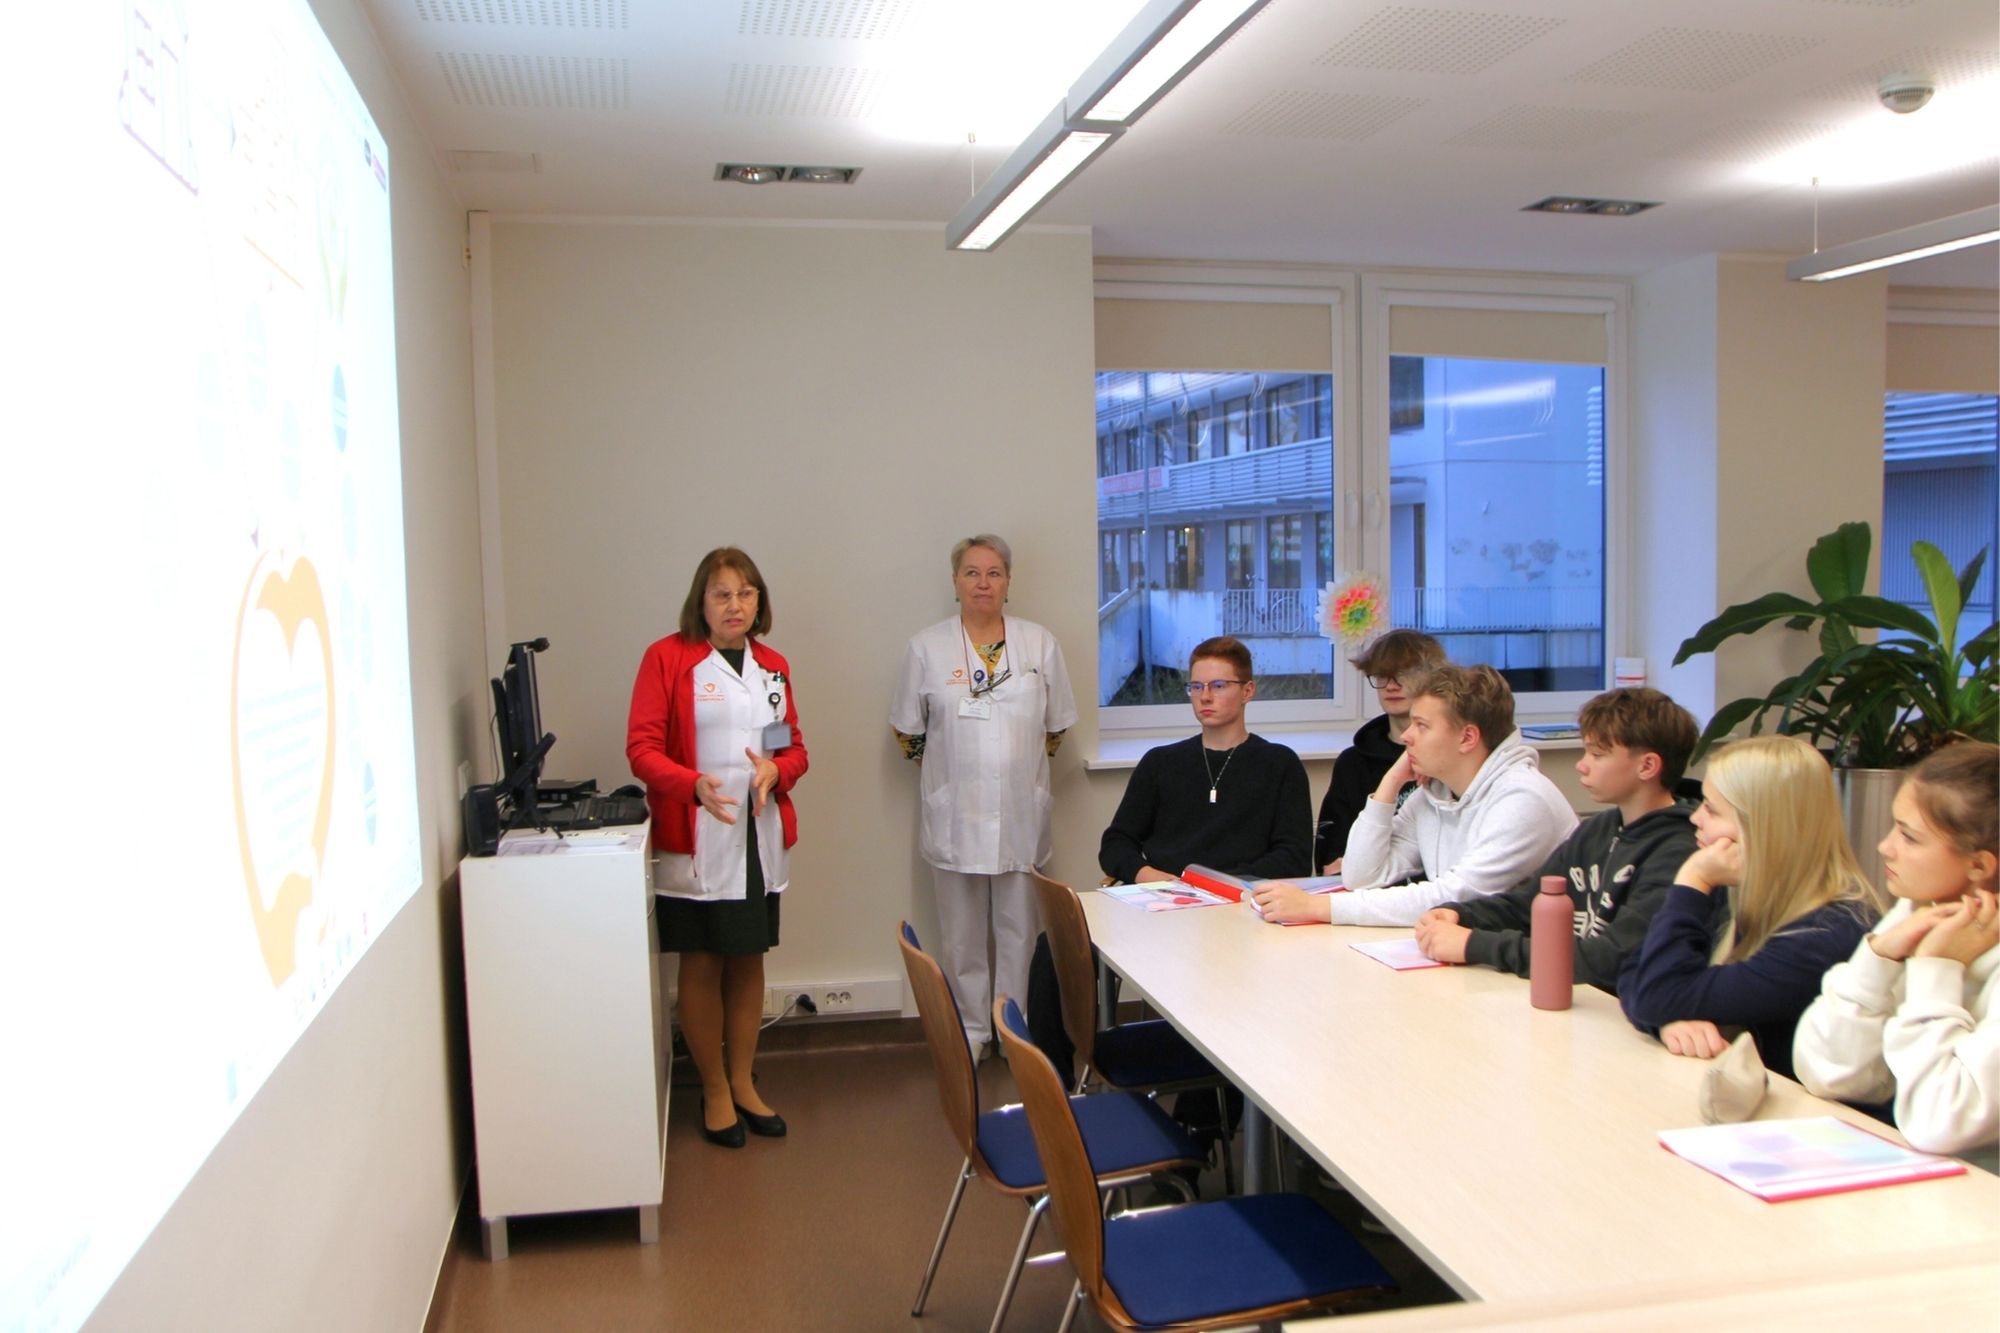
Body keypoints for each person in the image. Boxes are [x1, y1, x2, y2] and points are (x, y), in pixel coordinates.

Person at [627, 548, 808, 1149]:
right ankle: (712, 1090)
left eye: (746, 593)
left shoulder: (772, 667)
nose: (735, 605)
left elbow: (792, 749)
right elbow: (642, 749)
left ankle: (742, 1081)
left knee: (749, 959)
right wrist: (691, 785)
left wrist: (777, 771)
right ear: (700, 602)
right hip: (698, 837)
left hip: (756, 836)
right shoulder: (668, 658)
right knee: (703, 961)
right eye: (722, 593)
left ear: (759, 602)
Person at [892, 535, 1077, 1053]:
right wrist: (951, 777)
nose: (983, 583)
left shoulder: (1039, 644)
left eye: (994, 573)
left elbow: (1056, 727)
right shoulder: (926, 648)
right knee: (961, 937)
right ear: (955, 581)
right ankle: (973, 1032)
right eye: (972, 573)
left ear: (1008, 582)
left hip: (1020, 811)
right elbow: (907, 732)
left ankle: (1014, 1032)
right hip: (955, 814)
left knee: (1020, 931)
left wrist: (1015, 771)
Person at [1618, 734, 1881, 1081]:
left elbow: (1656, 991)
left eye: (1712, 809)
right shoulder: (1738, 886)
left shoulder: (1825, 934)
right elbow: (1633, 970)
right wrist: (1670, 1021)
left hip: (1800, 1108)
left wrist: (1692, 880)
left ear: (1764, 827)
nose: (1695, 818)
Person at [1793, 742, 1999, 1168]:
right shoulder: (1920, 912)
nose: (1885, 847)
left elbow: (1938, 1126)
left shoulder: (1941, 940)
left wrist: (1936, 971)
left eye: (1909, 836)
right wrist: (1878, 959)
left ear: (1979, 866)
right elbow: (1826, 1073)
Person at [1411, 688, 1700, 989]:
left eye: (1597, 755)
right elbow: (1528, 905)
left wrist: (1474, 944)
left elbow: (1610, 959)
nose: (1581, 765)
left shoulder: (1678, 853)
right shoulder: (1597, 830)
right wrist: (1460, 915)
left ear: (1647, 766)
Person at [1253, 663, 1574, 926]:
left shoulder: (1522, 799)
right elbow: (1361, 876)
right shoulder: (1435, 791)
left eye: (1421, 725)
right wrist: (1390, 782)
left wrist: (1319, 908)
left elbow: (1454, 898)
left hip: (1547, 967)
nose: (1406, 736)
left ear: (1467, 738)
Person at [1099, 636, 1313, 884]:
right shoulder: (1159, 762)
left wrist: (1219, 885)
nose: (1205, 696)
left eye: (1218, 686)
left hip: (1243, 896)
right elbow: (1116, 843)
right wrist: (1147, 876)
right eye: (1197, 686)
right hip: (1165, 896)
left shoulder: (1280, 764)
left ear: (1247, 691)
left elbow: (1294, 858)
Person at [1317, 629, 1446, 873]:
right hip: (1365, 885)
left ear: (1432, 679)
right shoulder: (1352, 763)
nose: (1391, 686)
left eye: (1403, 675)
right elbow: (1331, 859)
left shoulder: (1450, 758)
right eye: (1382, 676)